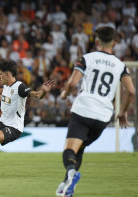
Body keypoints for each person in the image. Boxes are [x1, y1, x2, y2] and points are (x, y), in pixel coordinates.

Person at [56, 26, 135, 197]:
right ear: (114, 43)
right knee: (80, 148)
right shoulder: (120, 65)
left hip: (83, 110)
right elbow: (131, 91)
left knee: (69, 151)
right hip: (103, 116)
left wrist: (65, 94)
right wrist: (122, 112)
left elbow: (71, 83)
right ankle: (67, 187)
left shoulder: (87, 58)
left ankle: (70, 174)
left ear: (97, 42)